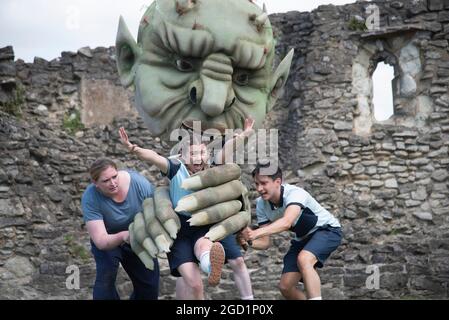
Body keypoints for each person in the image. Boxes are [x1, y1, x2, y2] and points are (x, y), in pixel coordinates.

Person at [119, 122, 254, 300]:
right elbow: (153, 157)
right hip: (180, 229)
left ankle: (212, 266)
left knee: (204, 247)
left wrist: (245, 133)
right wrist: (132, 148)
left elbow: (228, 149)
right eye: (192, 154)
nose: (198, 158)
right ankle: (209, 267)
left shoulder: (214, 167)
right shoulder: (176, 169)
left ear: (208, 154)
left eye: (201, 153)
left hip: (204, 224)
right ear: (182, 156)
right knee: (195, 285)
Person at [240, 161, 342, 300]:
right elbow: (264, 243)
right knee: (285, 287)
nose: (259, 188)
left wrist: (255, 233)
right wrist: (248, 240)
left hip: (327, 230)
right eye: (257, 184)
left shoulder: (295, 193)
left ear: (277, 181)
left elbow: (287, 222)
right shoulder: (261, 204)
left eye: (264, 183)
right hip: (303, 239)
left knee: (304, 259)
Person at [81, 158, 160, 300]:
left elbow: (156, 211)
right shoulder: (90, 197)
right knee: (105, 281)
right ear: (95, 183)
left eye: (114, 176)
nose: (113, 183)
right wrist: (123, 235)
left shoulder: (138, 183)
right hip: (109, 239)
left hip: (138, 235)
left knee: (149, 285)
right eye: (106, 181)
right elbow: (100, 241)